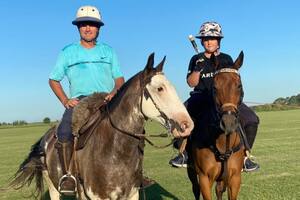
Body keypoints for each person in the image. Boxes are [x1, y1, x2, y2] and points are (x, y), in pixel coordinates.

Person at [49, 5, 124, 195]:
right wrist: (65, 100)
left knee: (131, 129)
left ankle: (136, 174)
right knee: (64, 131)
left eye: (92, 24)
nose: (88, 28)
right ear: (78, 28)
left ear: (99, 28)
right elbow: (54, 79)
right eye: (83, 25)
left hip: (107, 100)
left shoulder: (108, 51)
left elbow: (119, 78)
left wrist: (115, 91)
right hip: (81, 102)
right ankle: (69, 176)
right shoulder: (68, 52)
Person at [169, 21, 260, 172]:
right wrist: (197, 70)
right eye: (205, 39)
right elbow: (191, 83)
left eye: (212, 38)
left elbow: (233, 81)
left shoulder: (226, 59)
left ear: (219, 41)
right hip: (200, 97)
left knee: (252, 119)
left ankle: (245, 157)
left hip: (223, 100)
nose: (208, 41)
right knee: (181, 118)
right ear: (202, 41)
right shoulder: (196, 59)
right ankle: (183, 153)